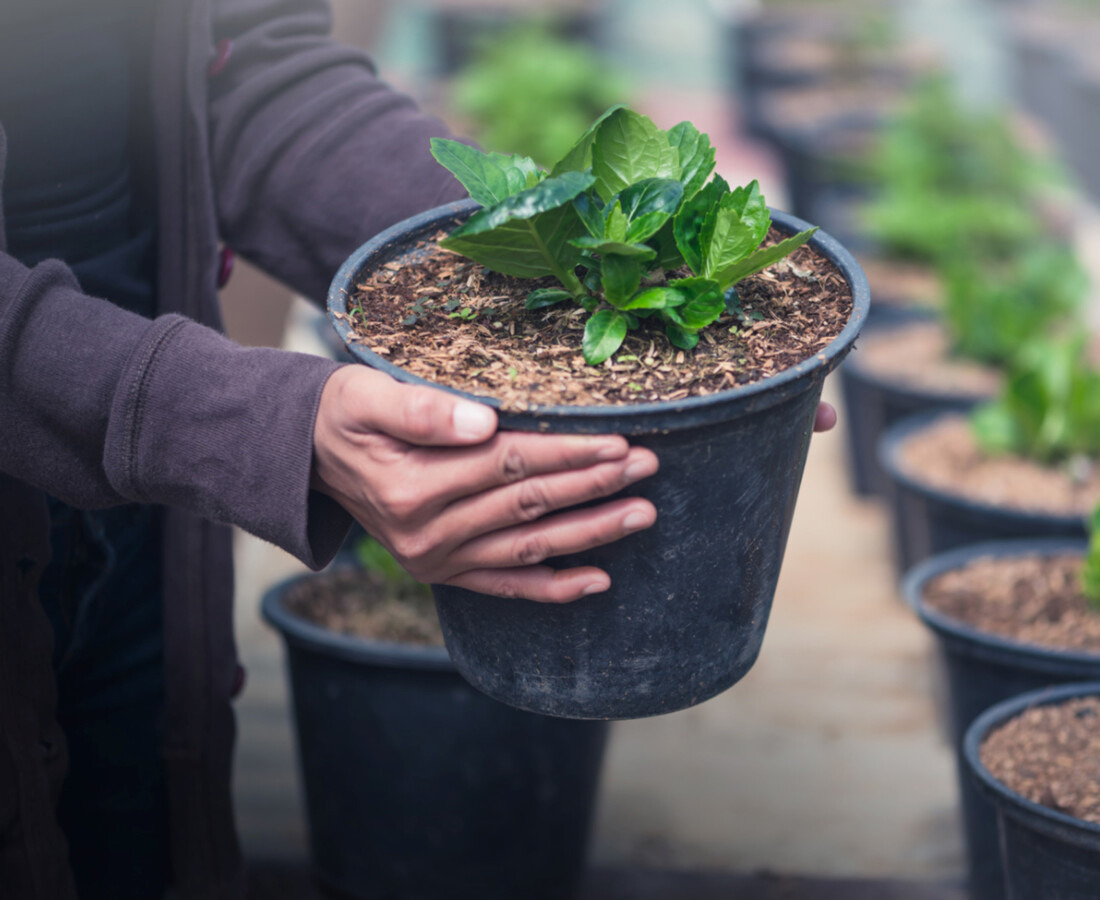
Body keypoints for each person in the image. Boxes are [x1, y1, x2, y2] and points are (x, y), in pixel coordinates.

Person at [0, 1, 836, 897]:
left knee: (133, 831)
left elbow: (245, 74)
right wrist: (255, 425)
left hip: (144, 529)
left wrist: (554, 251)